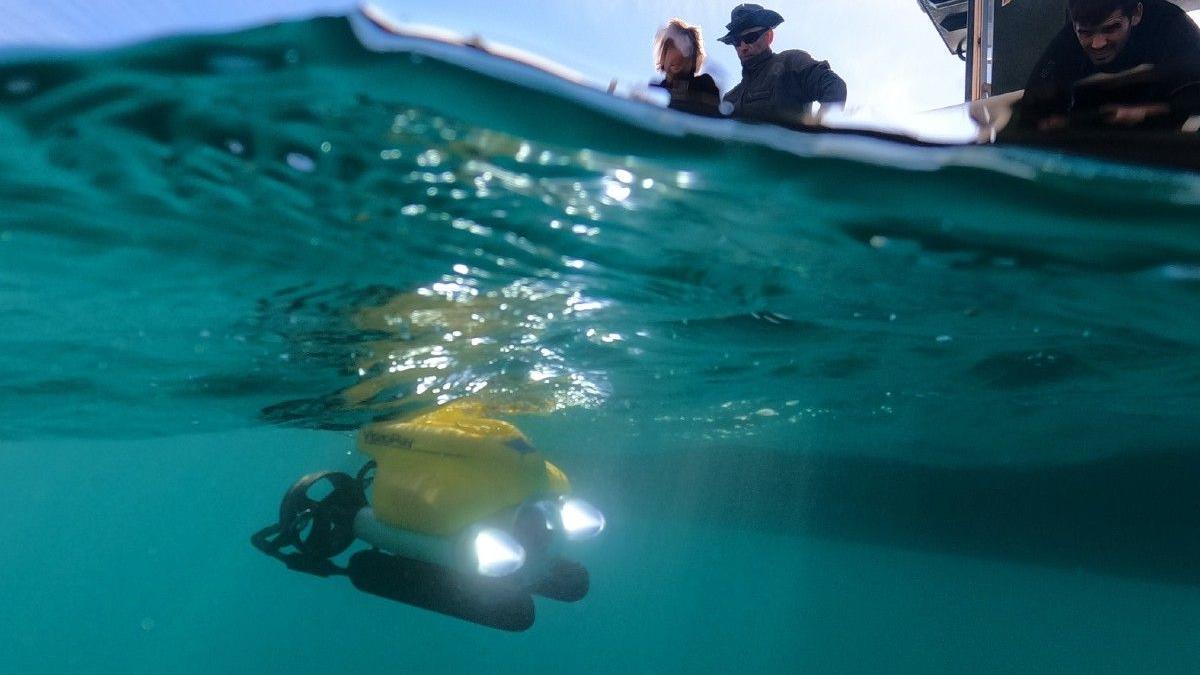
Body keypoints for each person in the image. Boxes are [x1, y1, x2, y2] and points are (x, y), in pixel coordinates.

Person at [1020, 0, 1200, 130]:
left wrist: (1149, 111)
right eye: (1086, 33)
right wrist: (1053, 120)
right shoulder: (1069, 39)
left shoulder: (1172, 24)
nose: (1097, 44)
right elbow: (1034, 100)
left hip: (1165, 142)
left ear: (1136, 14)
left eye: (1111, 28)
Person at [717, 3, 847, 124]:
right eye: (736, 41)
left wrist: (819, 129)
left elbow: (834, 86)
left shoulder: (791, 62)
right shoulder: (730, 98)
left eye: (750, 38)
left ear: (769, 36)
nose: (743, 47)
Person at [651, 19, 722, 117]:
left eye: (685, 48)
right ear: (664, 54)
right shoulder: (656, 90)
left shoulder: (705, 85)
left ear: (694, 59)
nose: (678, 55)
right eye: (672, 47)